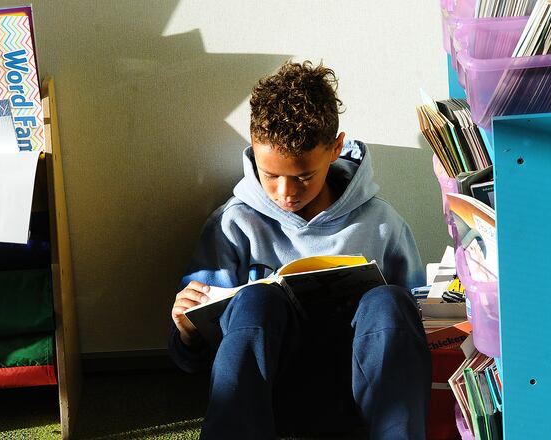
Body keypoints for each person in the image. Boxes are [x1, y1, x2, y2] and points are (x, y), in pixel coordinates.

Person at [169, 60, 431, 439]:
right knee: (257, 301)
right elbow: (195, 358)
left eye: (303, 176)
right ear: (254, 149)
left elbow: (415, 331)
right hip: (266, 401)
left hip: (364, 399)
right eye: (271, 175)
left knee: (390, 301)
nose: (285, 193)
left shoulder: (382, 223)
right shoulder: (233, 225)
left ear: (335, 148)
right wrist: (187, 332)